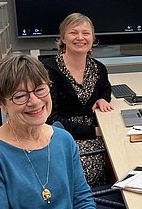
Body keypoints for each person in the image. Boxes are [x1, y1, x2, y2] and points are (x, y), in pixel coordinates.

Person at [0, 53, 95, 208]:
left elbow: (82, 199)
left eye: (40, 89)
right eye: (20, 96)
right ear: (1, 104)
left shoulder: (64, 140)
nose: (35, 101)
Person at [43, 13, 114, 187]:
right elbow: (51, 118)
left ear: (93, 38)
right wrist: (95, 132)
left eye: (86, 33)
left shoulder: (97, 67)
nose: (80, 37)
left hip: (95, 131)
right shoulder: (49, 69)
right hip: (63, 136)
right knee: (96, 165)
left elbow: (106, 87)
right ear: (63, 38)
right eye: (74, 33)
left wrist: (103, 99)